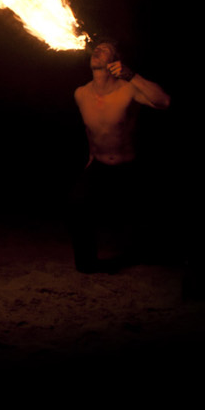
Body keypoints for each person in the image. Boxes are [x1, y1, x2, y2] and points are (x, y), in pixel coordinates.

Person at [69, 40, 171, 273]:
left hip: (129, 166)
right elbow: (91, 128)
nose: (98, 50)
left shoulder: (127, 89)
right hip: (100, 165)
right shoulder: (81, 94)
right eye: (97, 48)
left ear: (115, 62)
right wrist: (91, 154)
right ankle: (87, 263)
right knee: (76, 201)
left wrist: (131, 75)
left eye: (105, 49)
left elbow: (163, 101)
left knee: (145, 220)